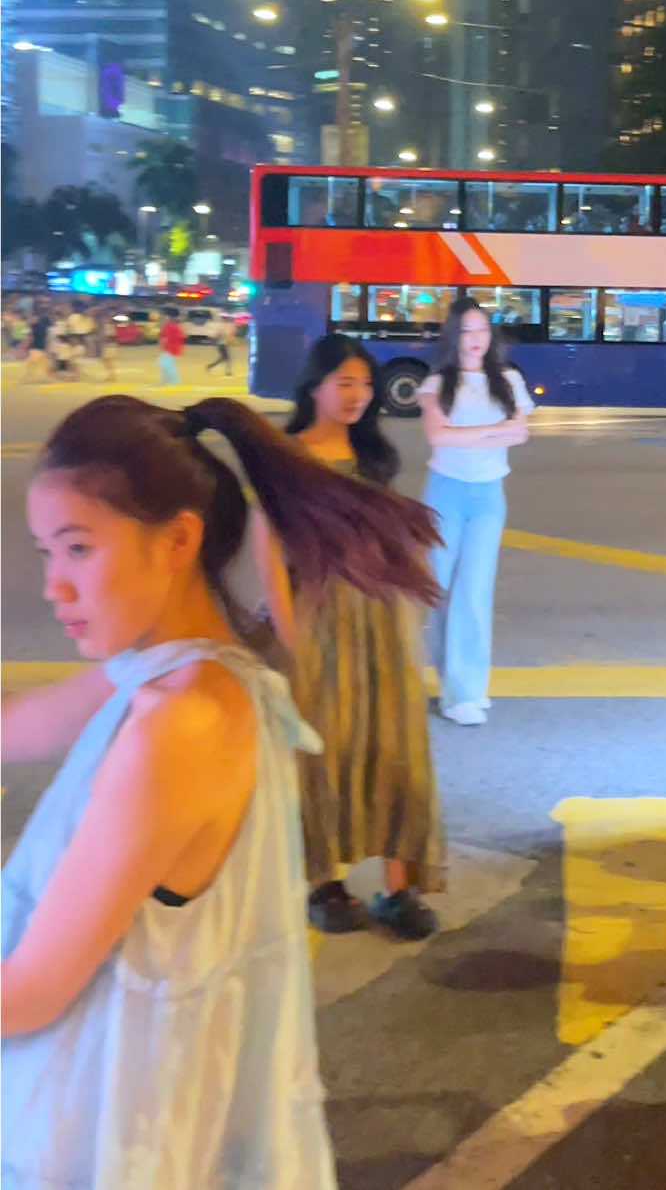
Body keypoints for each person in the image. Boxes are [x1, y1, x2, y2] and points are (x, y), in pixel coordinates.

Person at [2, 390, 433, 1183]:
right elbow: (18, 725)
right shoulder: (188, 672)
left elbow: (27, 991)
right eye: (46, 553)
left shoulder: (182, 724)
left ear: (177, 540)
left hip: (118, 1139)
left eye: (77, 548)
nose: (53, 587)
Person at [267, 333, 444, 938]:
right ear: (313, 386)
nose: (358, 395)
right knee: (323, 753)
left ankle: (400, 889)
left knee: (397, 750)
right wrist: (292, 643)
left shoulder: (374, 457)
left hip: (382, 620)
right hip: (319, 619)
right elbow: (271, 556)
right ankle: (325, 884)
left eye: (364, 384)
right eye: (344, 382)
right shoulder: (284, 457)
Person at [418, 299, 534, 726]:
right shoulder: (437, 384)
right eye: (466, 332)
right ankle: (452, 679)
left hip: (488, 495)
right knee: (436, 589)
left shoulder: (508, 380)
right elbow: (437, 436)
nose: (475, 340)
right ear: (454, 337)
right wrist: (493, 431)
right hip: (444, 493)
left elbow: (520, 433)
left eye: (482, 330)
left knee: (474, 590)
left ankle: (467, 691)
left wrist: (463, 434)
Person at [158, 309, 184, 385]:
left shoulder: (171, 326)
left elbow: (167, 338)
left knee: (165, 364)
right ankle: (168, 381)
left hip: (170, 348)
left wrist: (163, 343)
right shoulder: (171, 325)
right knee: (166, 364)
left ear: (169, 317)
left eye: (166, 316)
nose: (164, 318)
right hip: (169, 348)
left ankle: (173, 381)